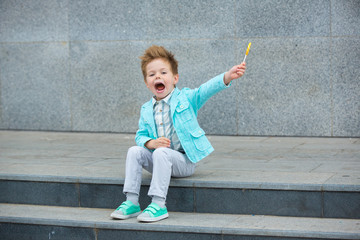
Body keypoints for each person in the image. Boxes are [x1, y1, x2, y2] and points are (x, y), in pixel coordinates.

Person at [111, 45, 246, 222]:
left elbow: (206, 89)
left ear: (175, 78)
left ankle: (158, 204)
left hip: (184, 161)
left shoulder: (187, 99)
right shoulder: (146, 109)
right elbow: (140, 135)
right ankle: (132, 202)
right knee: (134, 151)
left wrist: (228, 76)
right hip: (159, 159)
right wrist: (151, 143)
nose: (157, 76)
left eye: (163, 73)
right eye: (152, 75)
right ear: (147, 83)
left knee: (161, 152)